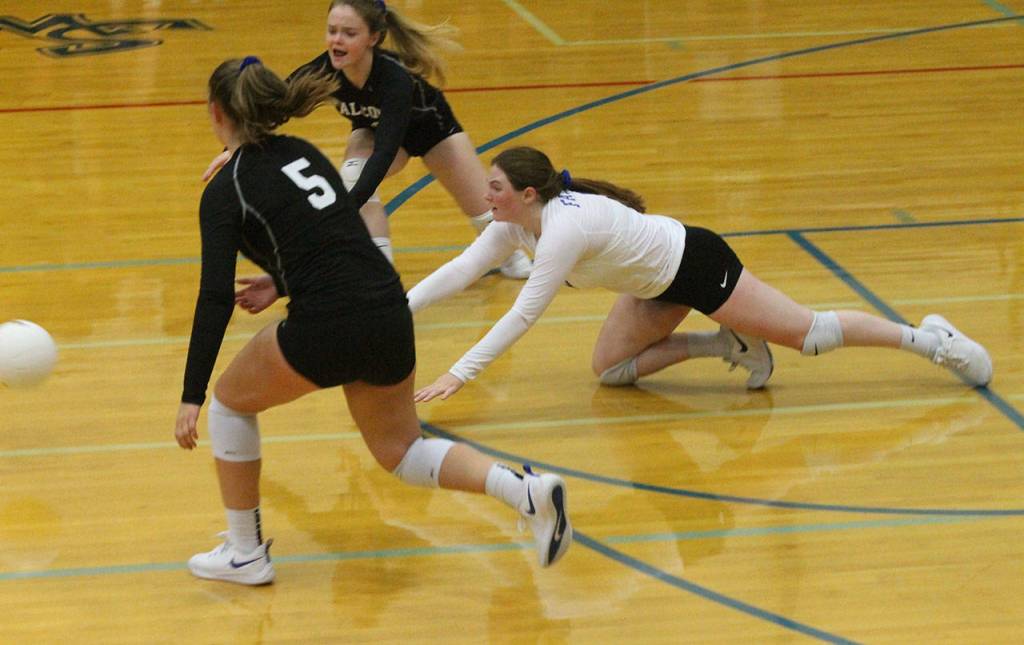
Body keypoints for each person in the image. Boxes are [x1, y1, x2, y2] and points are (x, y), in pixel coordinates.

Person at [176, 60, 571, 586]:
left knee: (229, 403)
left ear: (216, 112)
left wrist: (192, 394)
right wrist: (282, 281)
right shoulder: (302, 153)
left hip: (330, 322)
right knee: (401, 451)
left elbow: (212, 298)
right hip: (387, 307)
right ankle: (522, 491)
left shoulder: (225, 192)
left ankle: (245, 553)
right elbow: (335, 238)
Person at [407, 146, 993, 402]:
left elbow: (524, 312)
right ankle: (726, 342)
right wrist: (398, 308)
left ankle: (933, 342)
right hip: (655, 288)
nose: (485, 195)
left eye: (495, 187)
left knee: (810, 335)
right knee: (611, 372)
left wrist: (460, 374)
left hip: (699, 265)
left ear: (527, 194)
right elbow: (461, 270)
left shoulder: (562, 230)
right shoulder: (514, 224)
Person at [203, 0, 533, 278]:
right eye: (332, 31)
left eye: (349, 33)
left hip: (432, 131)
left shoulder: (394, 80)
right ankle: (379, 272)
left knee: (490, 225)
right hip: (371, 133)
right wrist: (234, 149)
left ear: (373, 37)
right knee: (353, 177)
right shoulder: (323, 70)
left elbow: (384, 155)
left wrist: (342, 210)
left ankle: (508, 258)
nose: (337, 41)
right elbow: (272, 107)